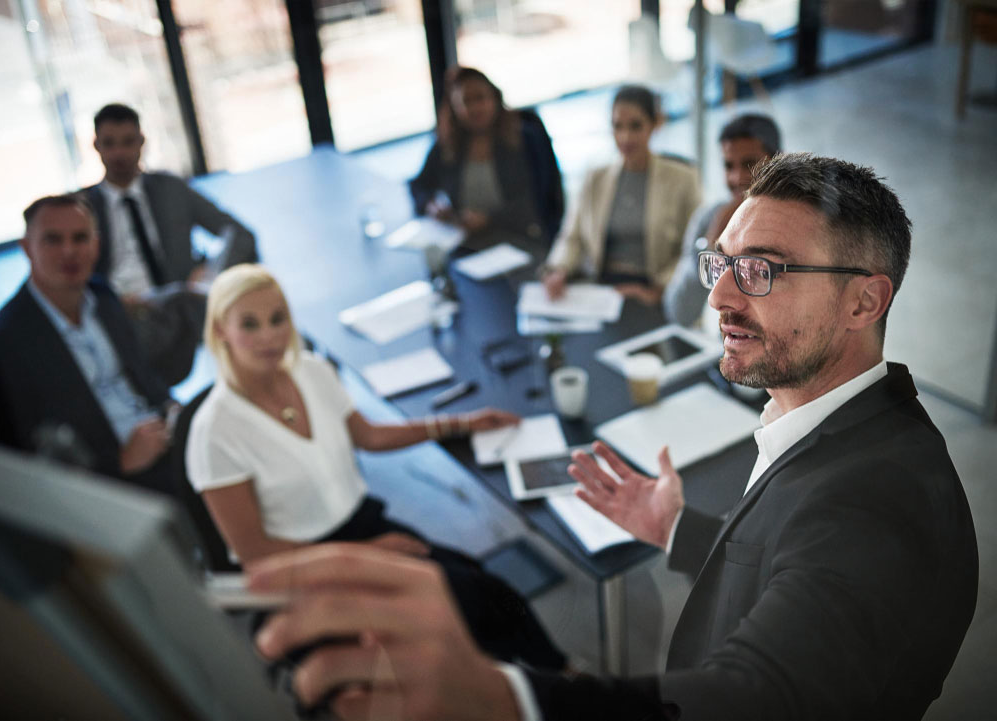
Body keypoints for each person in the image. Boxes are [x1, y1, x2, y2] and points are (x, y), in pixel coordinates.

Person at [244, 154, 978, 721]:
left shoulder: (880, 500)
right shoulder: (836, 422)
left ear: (863, 300)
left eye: (760, 271)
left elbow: (758, 697)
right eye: (720, 263)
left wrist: (508, 700)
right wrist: (678, 530)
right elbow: (787, 558)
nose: (719, 296)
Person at [185, 263, 566, 670]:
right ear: (221, 330)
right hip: (300, 568)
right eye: (250, 324)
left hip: (362, 525)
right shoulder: (213, 433)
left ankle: (566, 686)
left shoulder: (312, 371)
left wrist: (461, 424)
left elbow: (369, 437)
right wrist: (364, 554)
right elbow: (256, 556)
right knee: (423, 643)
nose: (269, 336)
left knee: (488, 593)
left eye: (278, 319)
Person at [0, 195, 174, 495]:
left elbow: (141, 376)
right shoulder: (7, 338)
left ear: (96, 245)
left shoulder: (103, 297)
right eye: (53, 240)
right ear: (27, 248)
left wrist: (172, 409)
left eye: (80, 238)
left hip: (162, 440)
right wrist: (119, 462)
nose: (69, 251)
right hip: (103, 484)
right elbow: (23, 456)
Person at [81, 103, 258, 386]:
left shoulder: (170, 189)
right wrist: (109, 300)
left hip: (181, 302)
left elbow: (238, 234)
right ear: (96, 146)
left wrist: (209, 275)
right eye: (109, 144)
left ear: (141, 143)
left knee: (265, 322)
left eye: (128, 142)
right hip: (121, 311)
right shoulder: (82, 208)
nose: (119, 154)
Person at [542, 85, 701, 306]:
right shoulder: (595, 177)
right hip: (603, 289)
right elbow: (572, 236)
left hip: (654, 290)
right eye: (618, 127)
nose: (625, 137)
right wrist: (558, 268)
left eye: (635, 126)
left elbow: (693, 249)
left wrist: (659, 290)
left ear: (655, 124)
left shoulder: (683, 178)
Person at [409, 66, 564, 250]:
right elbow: (418, 185)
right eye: (466, 102)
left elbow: (542, 199)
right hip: (468, 243)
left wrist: (489, 219)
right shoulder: (447, 145)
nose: (475, 108)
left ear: (494, 98)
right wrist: (431, 204)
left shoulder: (525, 139)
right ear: (455, 107)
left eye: (480, 98)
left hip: (523, 238)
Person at [664, 113, 781, 326]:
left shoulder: (798, 223)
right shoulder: (708, 219)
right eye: (729, 166)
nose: (737, 177)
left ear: (777, 161)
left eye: (749, 164)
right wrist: (710, 248)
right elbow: (679, 312)